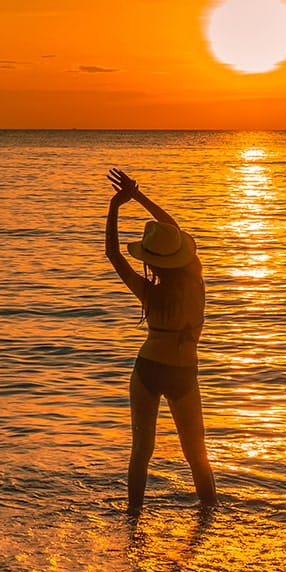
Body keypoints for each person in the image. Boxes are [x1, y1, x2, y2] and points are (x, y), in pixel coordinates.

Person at [104, 167, 218, 514]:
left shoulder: (149, 293)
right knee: (196, 453)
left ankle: (133, 519)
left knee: (141, 452)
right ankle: (210, 515)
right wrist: (139, 196)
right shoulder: (196, 284)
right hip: (184, 374)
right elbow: (176, 231)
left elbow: (113, 254)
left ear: (152, 260)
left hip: (148, 369)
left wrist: (116, 206)